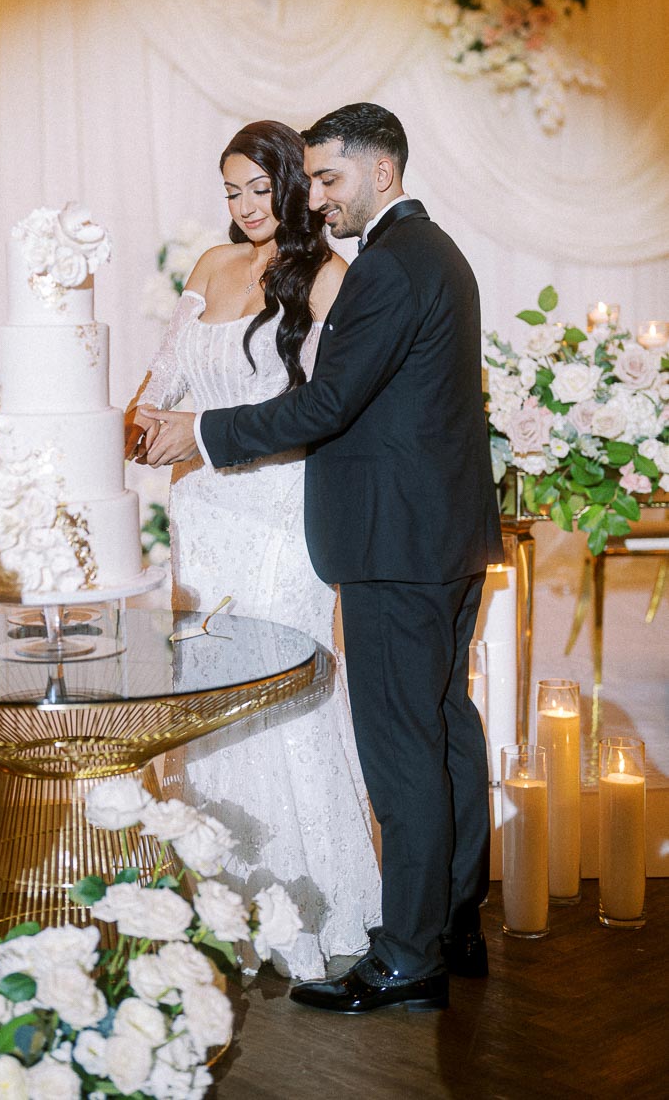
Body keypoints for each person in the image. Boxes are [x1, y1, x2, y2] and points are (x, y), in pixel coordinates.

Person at [141, 102, 503, 1015]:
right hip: (442, 535)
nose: (320, 198)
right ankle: (454, 919)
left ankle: (409, 958)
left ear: (382, 172)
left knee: (402, 749)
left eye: (331, 179)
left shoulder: (382, 267)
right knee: (444, 725)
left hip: (395, 543)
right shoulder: (438, 255)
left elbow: (322, 409)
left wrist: (203, 433)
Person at [127, 120, 382, 981]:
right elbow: (161, 383)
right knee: (212, 695)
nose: (244, 208)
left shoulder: (328, 276)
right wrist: (140, 425)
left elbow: (330, 409)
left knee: (281, 688)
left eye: (258, 188)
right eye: (230, 192)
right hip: (202, 513)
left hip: (280, 508)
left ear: (293, 184)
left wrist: (194, 438)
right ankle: (225, 900)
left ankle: (322, 904)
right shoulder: (209, 267)